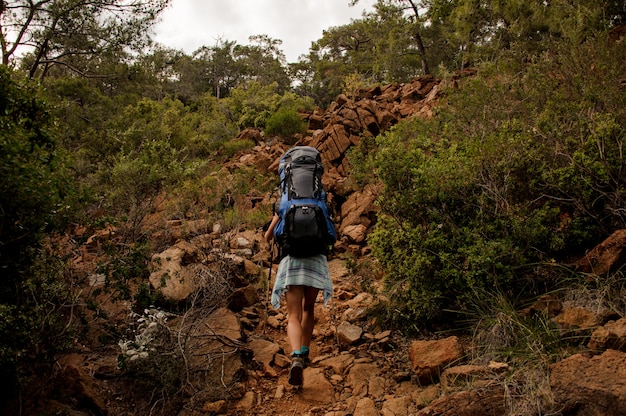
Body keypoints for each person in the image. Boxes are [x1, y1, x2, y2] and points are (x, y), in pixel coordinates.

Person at [264, 212, 333, 386]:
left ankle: (295, 358)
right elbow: (331, 234)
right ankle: (305, 352)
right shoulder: (319, 201)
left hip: (292, 260)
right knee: (308, 308)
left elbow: (268, 236)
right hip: (316, 261)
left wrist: (276, 219)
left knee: (293, 315)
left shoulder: (285, 204)